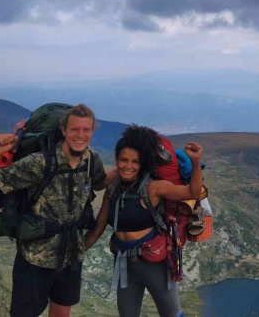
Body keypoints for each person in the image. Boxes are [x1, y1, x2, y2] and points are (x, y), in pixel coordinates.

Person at [0, 104, 109, 317]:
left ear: (92, 131)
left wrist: (127, 170)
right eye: (75, 129)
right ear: (64, 130)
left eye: (86, 130)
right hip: (35, 258)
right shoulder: (40, 162)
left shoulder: (91, 159)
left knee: (62, 312)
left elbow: (100, 183)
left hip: (71, 255)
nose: (80, 135)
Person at [84, 125, 203, 317]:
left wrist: (196, 162)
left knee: (171, 314)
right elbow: (98, 229)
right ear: (116, 161)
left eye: (135, 161)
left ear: (143, 163)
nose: (128, 166)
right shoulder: (113, 190)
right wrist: (77, 252)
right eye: (123, 160)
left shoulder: (153, 188)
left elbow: (193, 192)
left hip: (155, 262)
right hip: (123, 262)